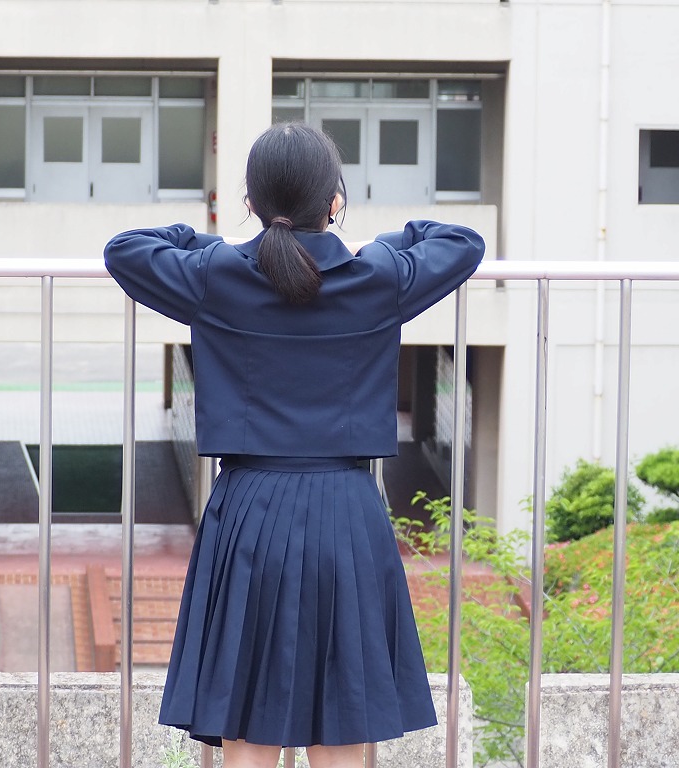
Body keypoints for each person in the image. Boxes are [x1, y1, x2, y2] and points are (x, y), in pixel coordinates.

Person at [104, 122, 484, 768]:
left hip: (248, 508)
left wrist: (213, 242)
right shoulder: (379, 276)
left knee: (247, 723)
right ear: (333, 201)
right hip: (345, 511)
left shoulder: (216, 276)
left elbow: (125, 250)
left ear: (250, 202)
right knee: (342, 721)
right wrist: (372, 241)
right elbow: (460, 242)